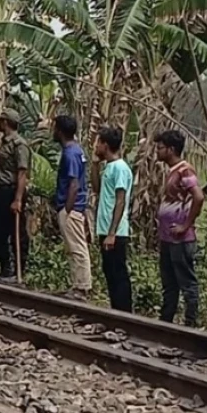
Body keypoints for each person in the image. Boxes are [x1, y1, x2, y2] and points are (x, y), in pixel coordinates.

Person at [154, 130, 204, 327]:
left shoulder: (185, 171)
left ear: (171, 149)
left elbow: (198, 197)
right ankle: (166, 320)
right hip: (168, 236)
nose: (157, 151)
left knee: (186, 282)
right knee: (169, 283)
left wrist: (185, 225)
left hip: (180, 238)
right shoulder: (172, 170)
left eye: (160, 148)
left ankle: (190, 322)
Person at [94, 127, 134, 313]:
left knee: (118, 273)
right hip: (105, 229)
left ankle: (124, 312)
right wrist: (94, 166)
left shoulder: (120, 168)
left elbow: (120, 200)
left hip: (115, 231)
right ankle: (115, 310)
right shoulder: (108, 167)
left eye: (98, 143)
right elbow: (97, 189)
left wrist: (112, 233)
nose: (95, 146)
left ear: (106, 145)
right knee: (109, 272)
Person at [52, 115, 92, 299]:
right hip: (75, 207)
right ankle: (77, 284)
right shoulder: (77, 150)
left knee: (77, 247)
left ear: (59, 130)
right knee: (74, 247)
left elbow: (74, 184)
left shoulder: (70, 154)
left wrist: (66, 209)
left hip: (71, 207)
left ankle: (82, 287)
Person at [0, 109, 30, 283]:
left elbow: (22, 173)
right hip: (1, 191)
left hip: (11, 191)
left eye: (1, 120)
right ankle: (6, 267)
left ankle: (16, 270)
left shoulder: (19, 144)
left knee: (16, 233)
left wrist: (18, 199)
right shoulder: (5, 143)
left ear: (5, 122)